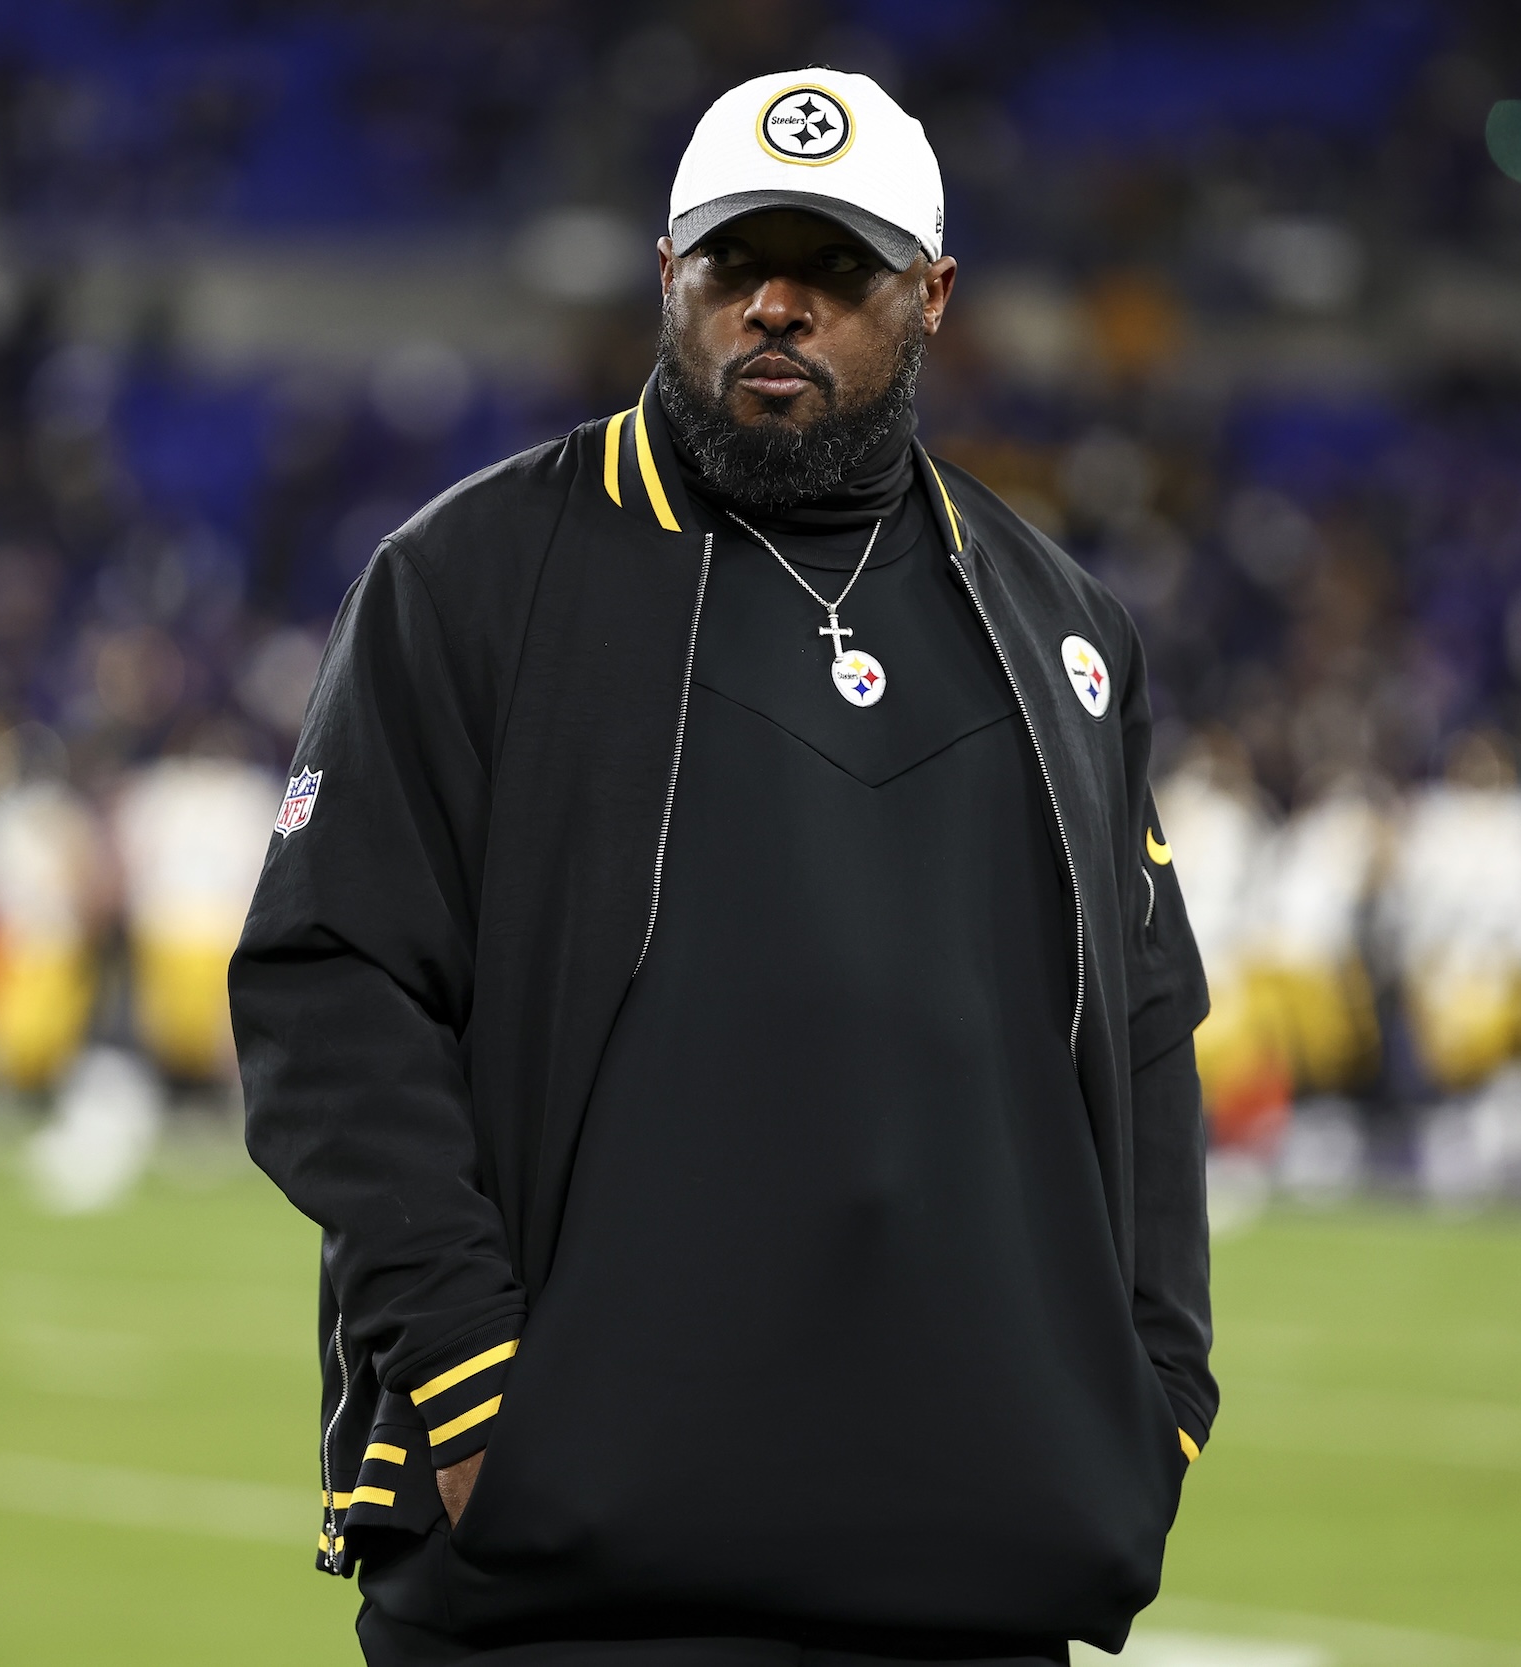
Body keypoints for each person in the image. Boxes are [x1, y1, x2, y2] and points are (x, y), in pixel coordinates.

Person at [231, 69, 1215, 1666]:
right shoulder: (469, 580)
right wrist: (480, 1400)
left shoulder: (1065, 627)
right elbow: (327, 992)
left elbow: (1148, 1031)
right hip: (567, 1580)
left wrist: (1151, 1411)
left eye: (835, 269)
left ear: (933, 296)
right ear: (665, 273)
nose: (775, 305)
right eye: (733, 262)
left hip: (975, 1572)